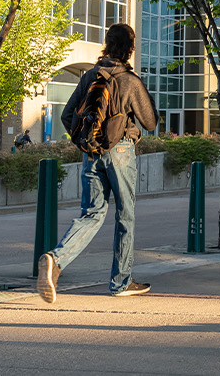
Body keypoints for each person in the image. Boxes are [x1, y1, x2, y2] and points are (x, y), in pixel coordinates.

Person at [37, 22, 158, 302]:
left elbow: (68, 116)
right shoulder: (130, 81)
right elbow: (150, 121)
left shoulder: (91, 75)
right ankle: (121, 282)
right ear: (130, 49)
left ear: (106, 44)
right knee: (125, 215)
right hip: (120, 152)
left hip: (91, 154)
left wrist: (85, 143)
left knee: (91, 214)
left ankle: (56, 259)